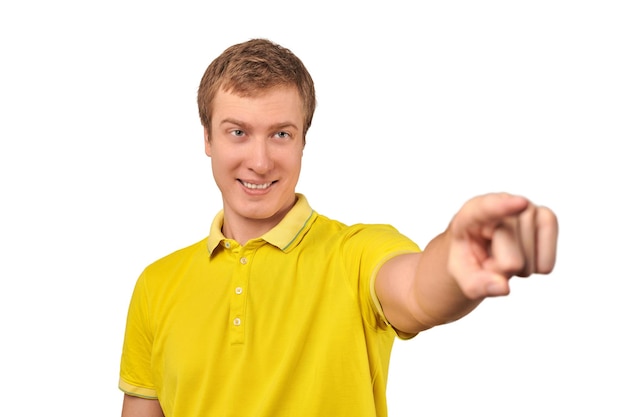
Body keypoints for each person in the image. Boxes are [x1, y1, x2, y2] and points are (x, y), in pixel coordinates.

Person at [119, 38, 558, 417]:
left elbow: (418, 290)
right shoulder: (156, 284)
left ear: (304, 141)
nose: (259, 160)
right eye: (237, 132)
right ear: (207, 139)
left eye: (281, 134)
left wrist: (457, 265)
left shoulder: (356, 252)